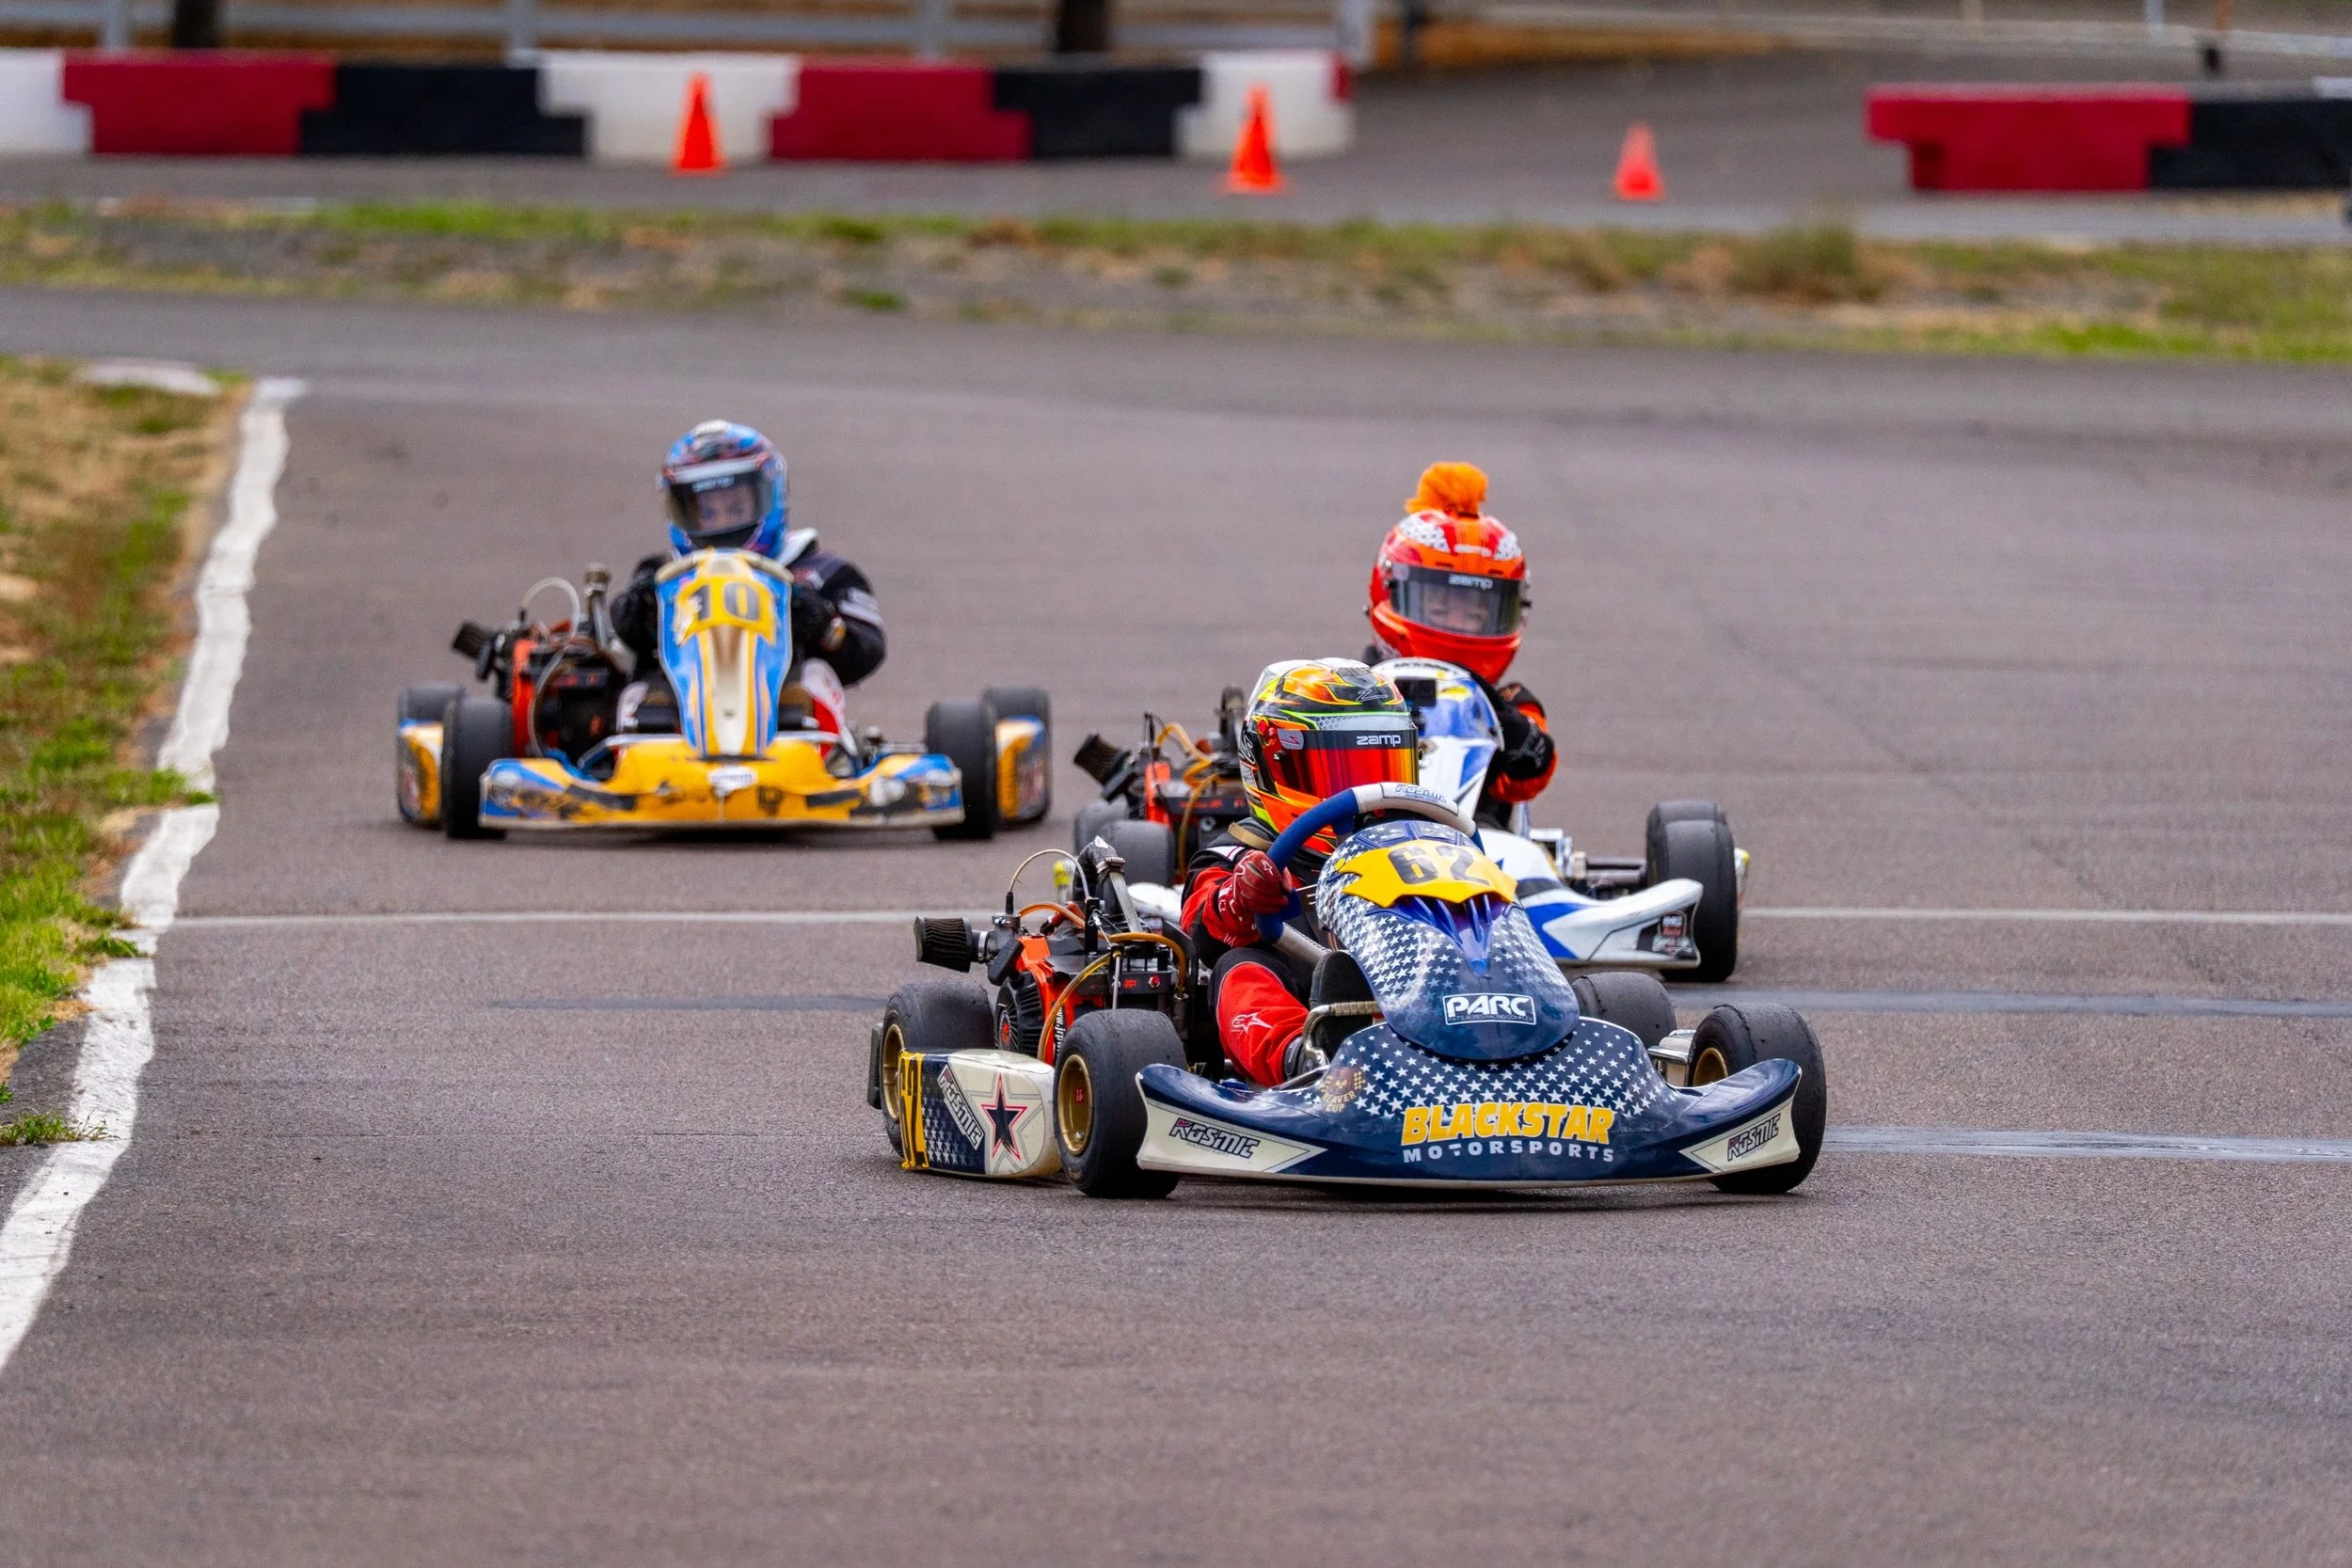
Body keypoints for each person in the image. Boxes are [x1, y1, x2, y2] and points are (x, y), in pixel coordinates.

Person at [1179, 658, 1419, 1087]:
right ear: (1275, 766)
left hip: (1411, 988)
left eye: (1383, 769)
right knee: (1241, 967)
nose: (1367, 799)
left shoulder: (1419, 848)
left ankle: (1516, 1035)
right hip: (1306, 1001)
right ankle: (1306, 1061)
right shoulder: (1237, 853)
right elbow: (1200, 929)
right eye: (1345, 776)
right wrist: (1241, 896)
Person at [609, 420, 884, 735]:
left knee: (813, 678)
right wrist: (633, 613)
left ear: (771, 495)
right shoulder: (660, 576)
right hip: (682, 703)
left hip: (782, 701)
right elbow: (616, 647)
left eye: (736, 508)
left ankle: (822, 754)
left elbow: (867, 650)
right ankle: (642, 751)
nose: (723, 521)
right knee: (639, 695)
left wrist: (821, 623)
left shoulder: (817, 572)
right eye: (708, 514)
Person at [1364, 462, 1555, 826]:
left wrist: (1501, 721)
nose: (1455, 623)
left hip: (1474, 851)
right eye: (1439, 606)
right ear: (1387, 590)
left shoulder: (1512, 704)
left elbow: (1532, 772)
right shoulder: (1346, 687)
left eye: (1473, 613)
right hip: (1356, 838)